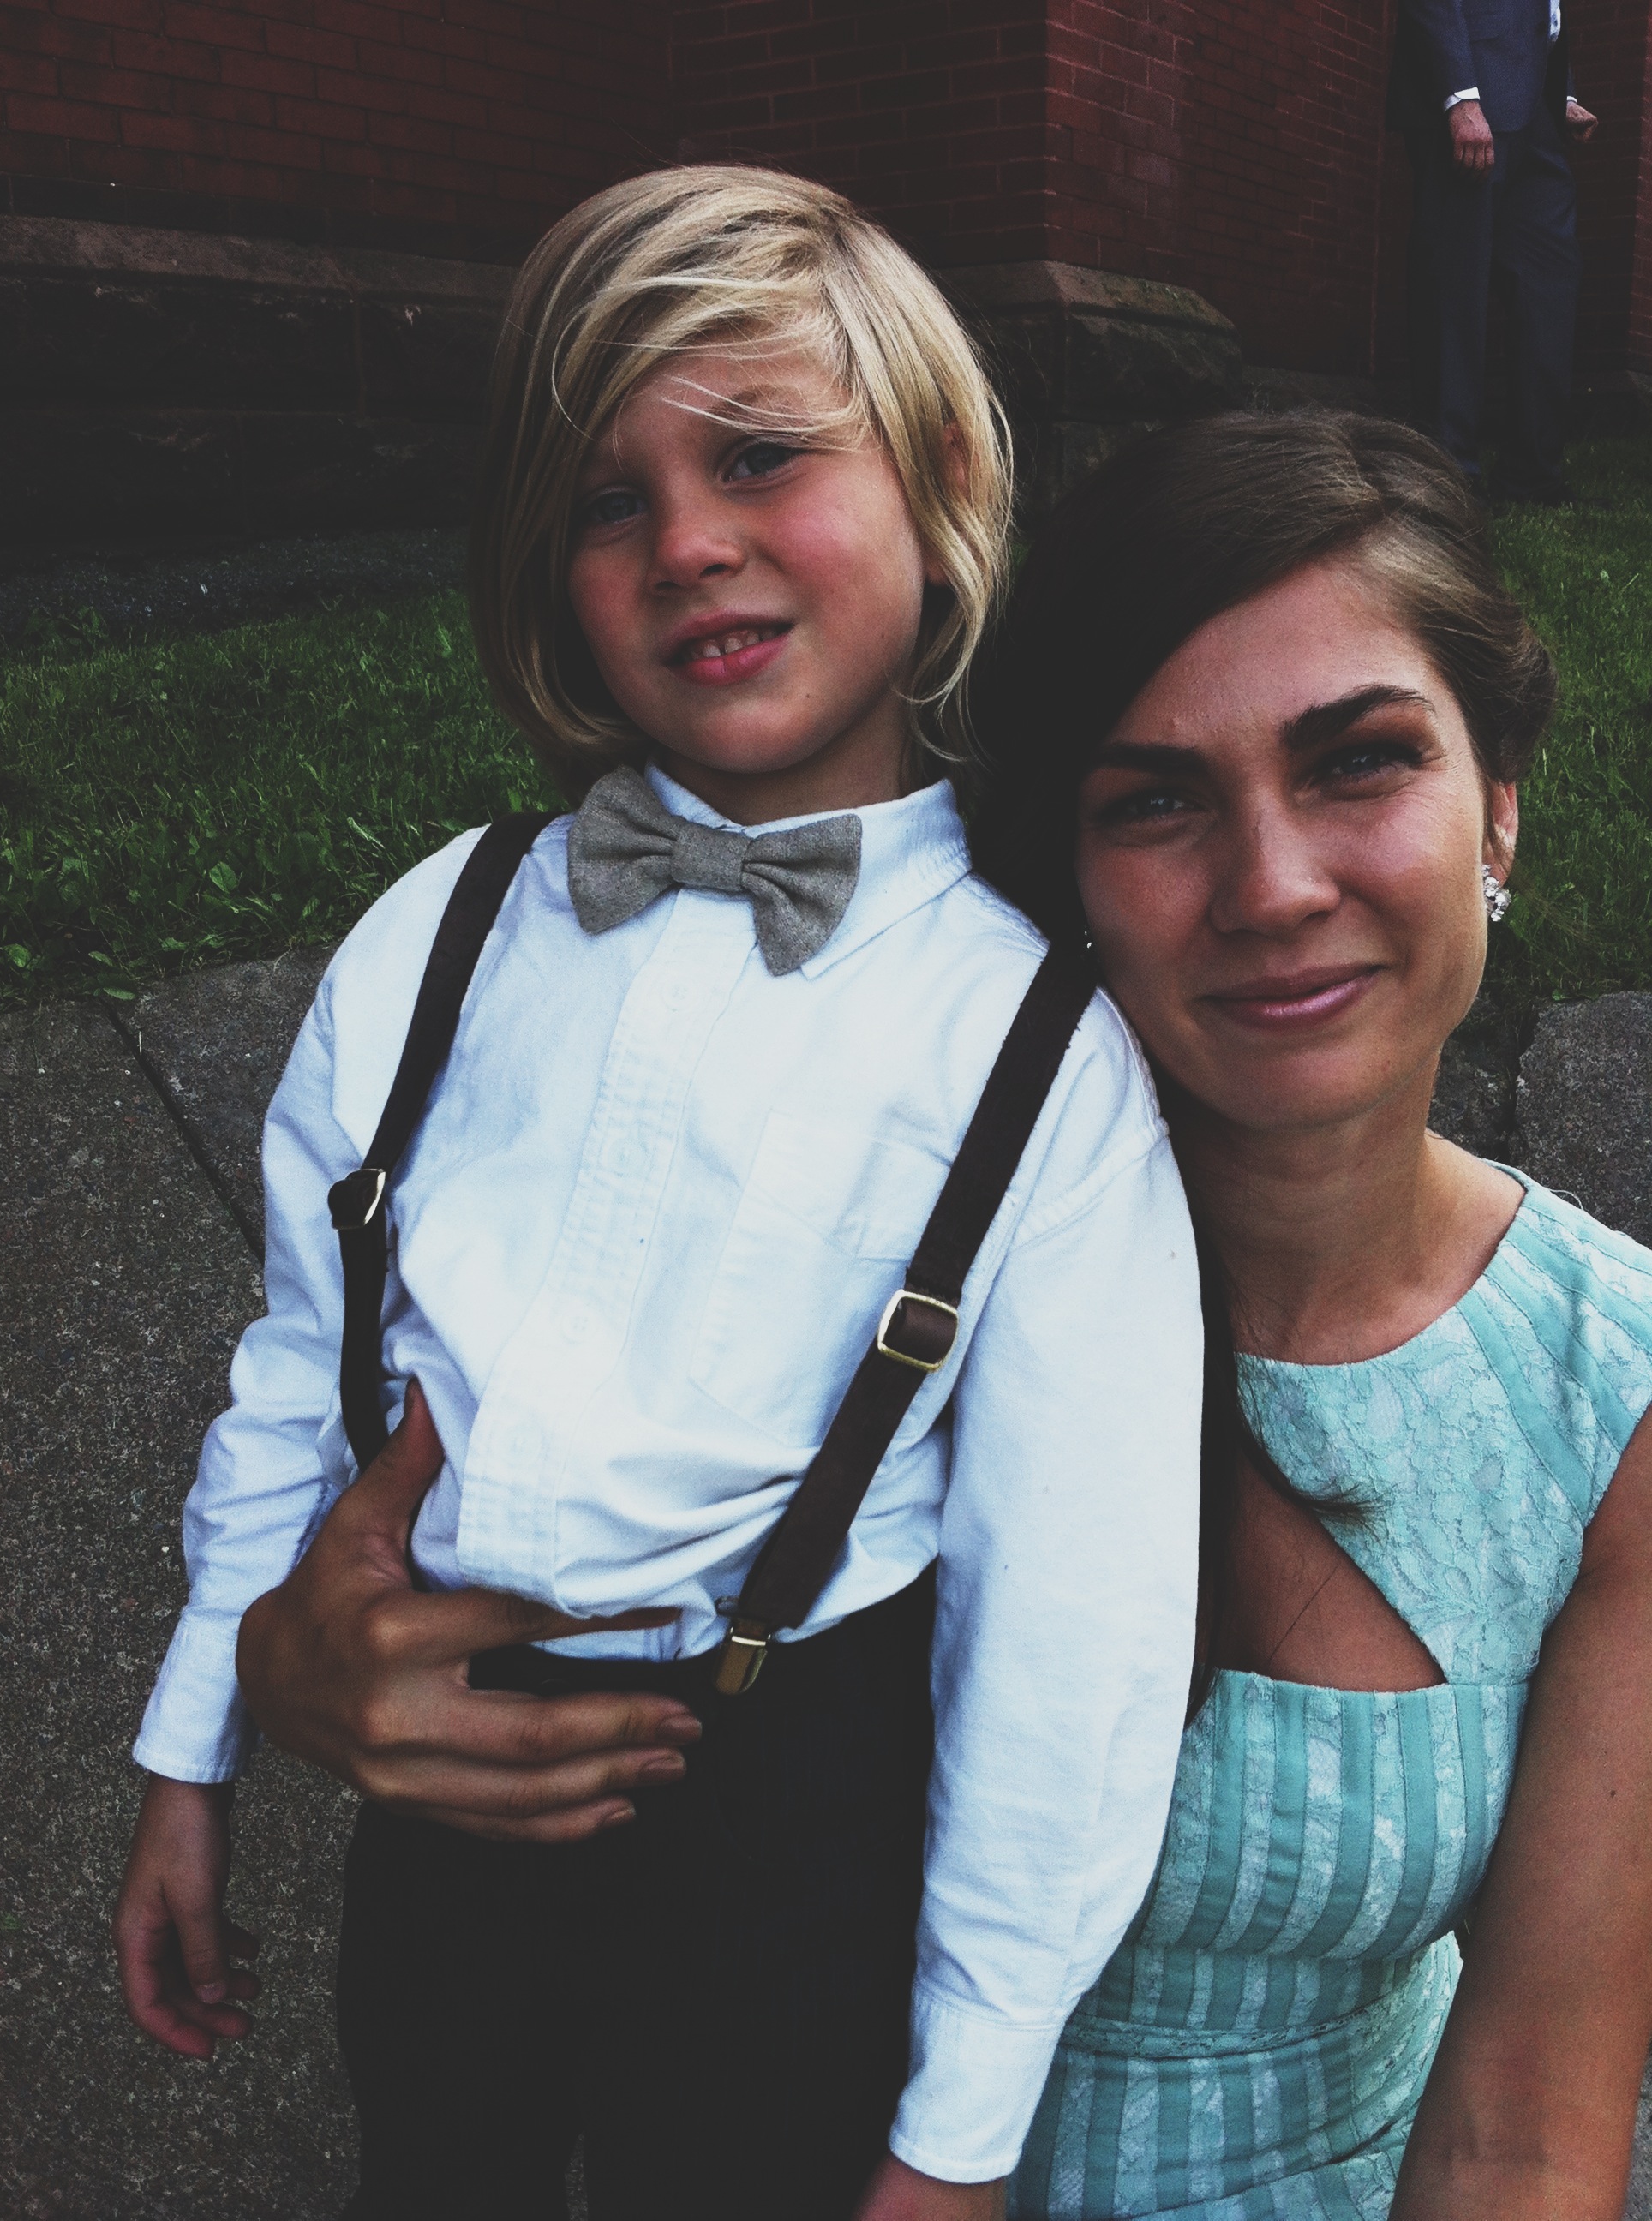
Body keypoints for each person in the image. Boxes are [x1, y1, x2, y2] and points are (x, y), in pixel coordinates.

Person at [111, 167, 1205, 2221]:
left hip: (795, 1813)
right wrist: (197, 1744)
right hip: (431, 1786)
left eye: (760, 456)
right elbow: (295, 1363)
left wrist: (957, 2136)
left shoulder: (1036, 1043)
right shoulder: (438, 933)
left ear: (940, 479)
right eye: (607, 500)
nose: (687, 539)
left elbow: (1073, 1638)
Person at [972, 410, 1652, 2220]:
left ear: (1497, 807)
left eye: (1357, 761)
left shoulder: (1609, 1396)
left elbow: (1523, 2132)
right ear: (1067, 873)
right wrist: (311, 1661)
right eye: (1156, 800)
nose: (1271, 887)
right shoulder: (903, 1290)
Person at [1389, 0, 1598, 506]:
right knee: (1455, 285)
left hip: (1536, 110)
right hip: (1472, 93)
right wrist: (1458, 94)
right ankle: (1445, 474)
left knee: (1551, 281)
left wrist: (1562, 93)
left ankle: (1532, 477)